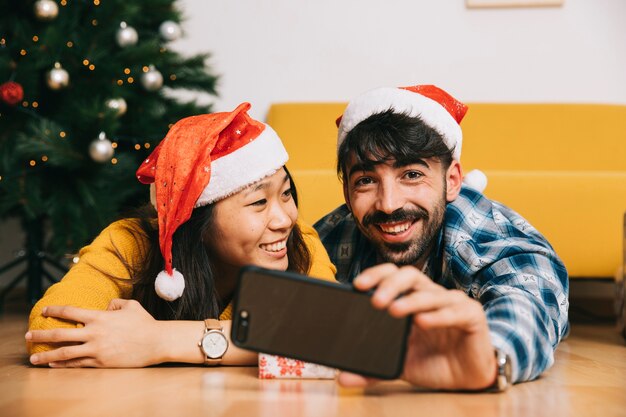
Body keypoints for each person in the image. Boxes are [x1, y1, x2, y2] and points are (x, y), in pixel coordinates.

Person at [26, 102, 336, 368]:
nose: (284, 219)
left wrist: (160, 341)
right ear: (195, 220)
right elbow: (49, 334)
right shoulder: (131, 241)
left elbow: (331, 329)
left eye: (286, 193)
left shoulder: (300, 242)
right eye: (258, 202)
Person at [314, 85, 569, 391]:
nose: (389, 204)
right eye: (366, 181)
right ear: (347, 193)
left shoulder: (476, 232)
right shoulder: (332, 234)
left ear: (451, 181)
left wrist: (488, 358)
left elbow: (529, 292)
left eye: (411, 174)